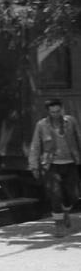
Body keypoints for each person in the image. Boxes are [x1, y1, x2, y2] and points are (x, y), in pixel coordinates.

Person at [28, 98, 81, 237]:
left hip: (71, 163)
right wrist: (34, 166)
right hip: (51, 165)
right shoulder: (41, 125)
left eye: (58, 111)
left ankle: (66, 211)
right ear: (48, 112)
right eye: (53, 112)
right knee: (55, 195)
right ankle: (59, 225)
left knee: (73, 195)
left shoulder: (71, 122)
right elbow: (36, 145)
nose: (56, 114)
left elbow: (79, 138)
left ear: (62, 109)